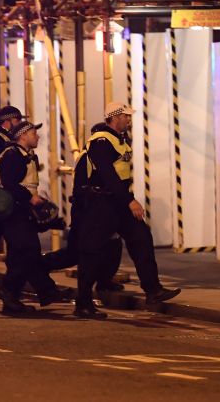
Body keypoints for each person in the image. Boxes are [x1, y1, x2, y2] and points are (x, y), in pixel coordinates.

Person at [71, 102, 180, 319]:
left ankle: (153, 290)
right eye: (125, 116)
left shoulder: (120, 140)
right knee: (91, 253)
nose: (129, 120)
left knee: (141, 238)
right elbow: (108, 175)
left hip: (116, 202)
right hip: (101, 204)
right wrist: (130, 200)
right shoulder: (101, 142)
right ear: (114, 117)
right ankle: (83, 303)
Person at [0, 106, 69, 311]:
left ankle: (34, 292)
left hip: (7, 205)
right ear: (9, 121)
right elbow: (3, 176)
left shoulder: (2, 141)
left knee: (23, 251)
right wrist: (27, 195)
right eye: (19, 121)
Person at [0, 120, 56, 315]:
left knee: (22, 254)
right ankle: (9, 290)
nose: (37, 137)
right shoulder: (12, 155)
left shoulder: (24, 155)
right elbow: (11, 184)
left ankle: (13, 299)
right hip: (14, 213)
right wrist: (31, 198)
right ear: (23, 135)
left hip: (21, 211)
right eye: (34, 133)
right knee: (28, 251)